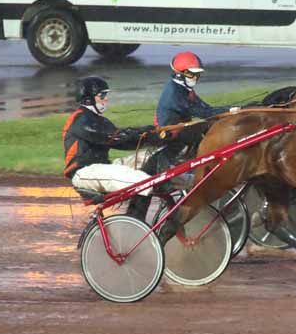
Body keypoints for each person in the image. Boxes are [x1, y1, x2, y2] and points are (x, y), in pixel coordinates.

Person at [63, 76, 157, 220]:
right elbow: (113, 137)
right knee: (145, 181)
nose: (106, 99)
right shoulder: (80, 119)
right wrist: (143, 131)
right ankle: (133, 224)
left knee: (153, 156)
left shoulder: (100, 120)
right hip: (84, 173)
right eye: (102, 95)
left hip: (102, 168)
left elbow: (124, 143)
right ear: (88, 99)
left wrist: (156, 137)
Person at [149, 51, 236, 175]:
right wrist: (231, 110)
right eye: (192, 74)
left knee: (207, 126)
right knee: (208, 128)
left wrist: (230, 109)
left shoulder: (184, 88)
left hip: (181, 127)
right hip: (172, 132)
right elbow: (204, 112)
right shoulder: (174, 93)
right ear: (179, 75)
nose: (196, 78)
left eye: (197, 74)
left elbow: (205, 108)